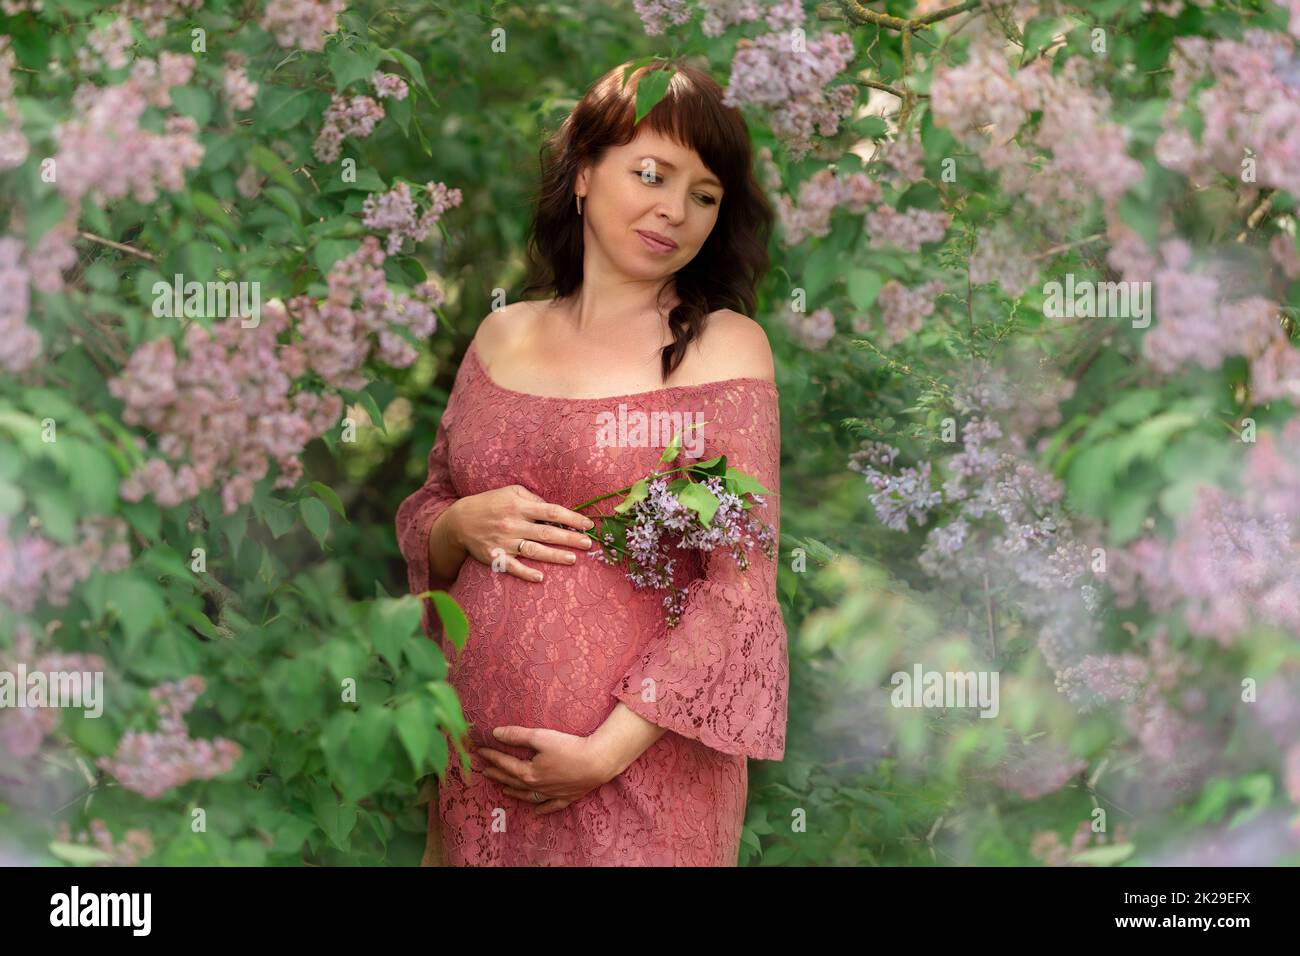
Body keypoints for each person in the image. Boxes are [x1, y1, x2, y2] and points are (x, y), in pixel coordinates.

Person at [395, 58, 787, 866]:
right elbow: (430, 514)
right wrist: (460, 523)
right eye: (652, 173)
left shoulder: (724, 349)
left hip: (641, 776)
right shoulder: (503, 335)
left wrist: (604, 753)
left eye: (705, 195)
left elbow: (738, 587)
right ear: (582, 174)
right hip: (479, 767)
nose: (675, 211)